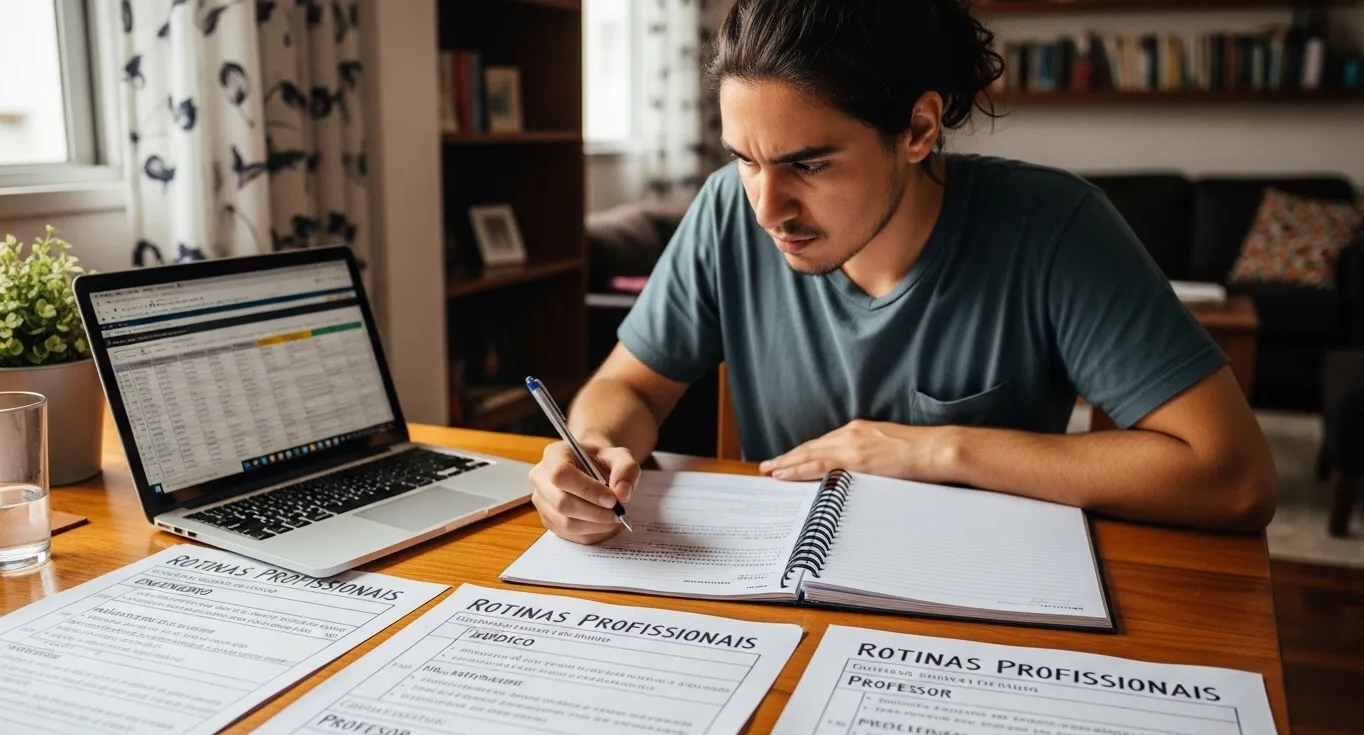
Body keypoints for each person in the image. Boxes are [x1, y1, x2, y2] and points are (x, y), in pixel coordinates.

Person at [528, 0, 1278, 543]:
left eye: (808, 164)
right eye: (744, 159)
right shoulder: (728, 211)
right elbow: (628, 386)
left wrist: (933, 449)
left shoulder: (1055, 228)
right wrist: (593, 449)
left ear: (918, 129)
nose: (766, 207)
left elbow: (1236, 480)